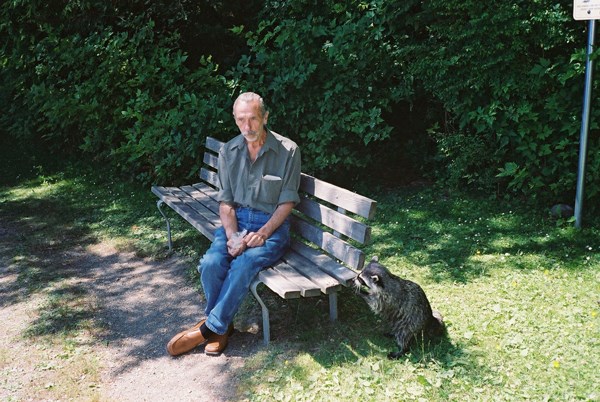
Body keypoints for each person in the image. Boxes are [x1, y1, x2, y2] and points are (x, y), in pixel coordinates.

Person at [166, 92, 301, 356]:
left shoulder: (288, 151)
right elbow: (225, 203)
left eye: (253, 119)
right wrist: (231, 236)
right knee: (211, 263)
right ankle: (223, 329)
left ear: (265, 117)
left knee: (245, 263)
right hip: (236, 223)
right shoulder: (228, 151)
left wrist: (262, 233)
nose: (247, 127)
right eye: (241, 120)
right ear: (235, 120)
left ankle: (208, 329)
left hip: (271, 227)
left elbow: (287, 202)